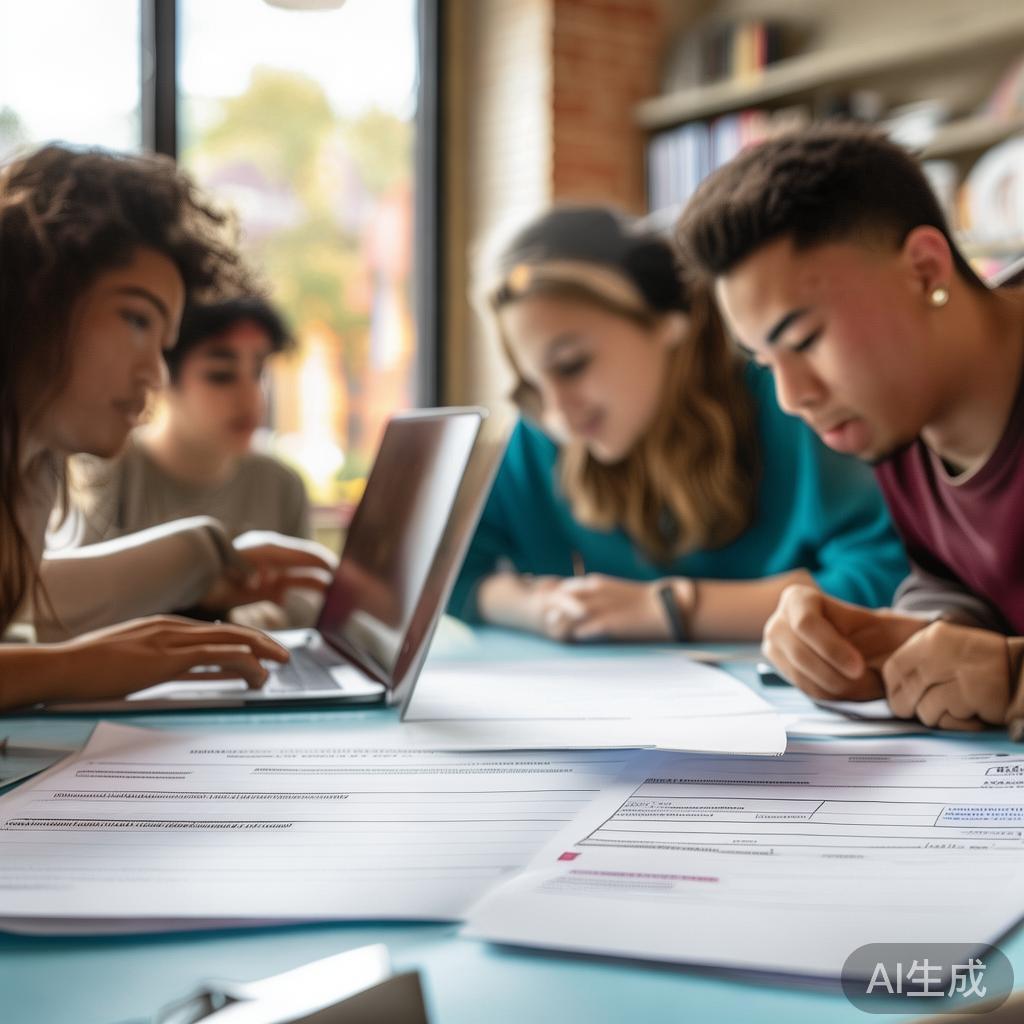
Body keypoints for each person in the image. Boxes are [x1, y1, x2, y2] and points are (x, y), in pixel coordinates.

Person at [677, 121, 1024, 733]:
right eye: (765, 361)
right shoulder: (897, 411)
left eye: (806, 340)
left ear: (924, 270)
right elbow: (961, 582)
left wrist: (1014, 677)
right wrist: (902, 639)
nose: (792, 397)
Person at [448, 206, 908, 643]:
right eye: (531, 386)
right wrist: (535, 607)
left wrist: (669, 609)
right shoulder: (544, 431)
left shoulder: (787, 397)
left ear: (665, 318)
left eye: (572, 365)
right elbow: (448, 574)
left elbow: (881, 577)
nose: (558, 413)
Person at [0, 143, 334, 711]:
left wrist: (199, 561)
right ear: (36, 298)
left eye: (164, 344)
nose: (155, 374)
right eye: (135, 319)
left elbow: (26, 594)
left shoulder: (32, 470)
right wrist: (81, 665)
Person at [71, 296, 310, 544]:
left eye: (259, 372)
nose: (252, 398)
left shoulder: (282, 488)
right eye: (221, 376)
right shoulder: (105, 475)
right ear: (160, 376)